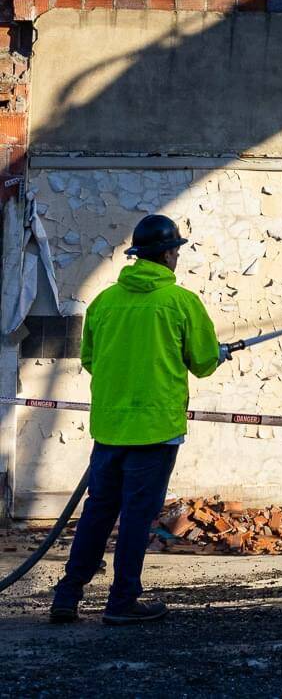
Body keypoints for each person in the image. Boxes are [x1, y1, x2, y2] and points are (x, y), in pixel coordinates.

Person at [48, 214, 232, 625]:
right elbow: (202, 363)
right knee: (134, 516)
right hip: (155, 432)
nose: (177, 257)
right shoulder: (180, 303)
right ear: (167, 254)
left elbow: (92, 360)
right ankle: (122, 600)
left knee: (98, 513)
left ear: (137, 255)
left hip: (110, 430)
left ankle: (67, 595)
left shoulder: (104, 302)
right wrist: (216, 353)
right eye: (176, 251)